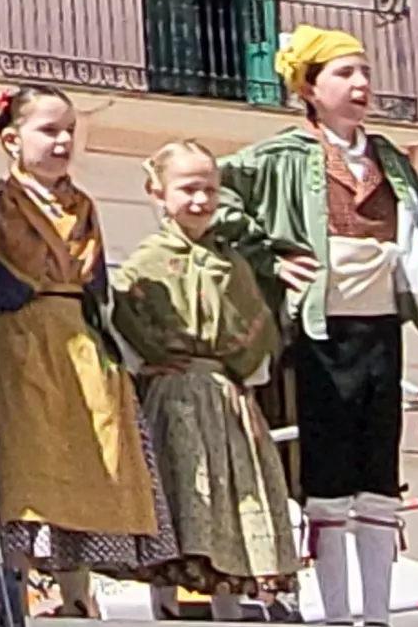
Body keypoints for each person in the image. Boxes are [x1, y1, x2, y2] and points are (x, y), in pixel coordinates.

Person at [212, 24, 418, 627]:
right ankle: (337, 613)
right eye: (344, 72)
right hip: (321, 329)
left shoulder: (389, 156)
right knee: (329, 470)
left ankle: (379, 614)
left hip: (382, 325)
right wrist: (271, 255)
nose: (360, 83)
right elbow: (217, 192)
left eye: (363, 71)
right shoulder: (283, 154)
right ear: (308, 87)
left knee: (380, 471)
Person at [0, 83, 163, 617]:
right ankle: (14, 593)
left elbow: (96, 284)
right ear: (11, 139)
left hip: (81, 341)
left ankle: (78, 597)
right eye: (48, 130)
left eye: (68, 130)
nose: (62, 141)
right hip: (19, 339)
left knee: (89, 460)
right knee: (23, 468)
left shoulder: (85, 205)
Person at [113, 140, 300, 620]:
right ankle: (165, 606)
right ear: (157, 191)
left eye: (210, 190)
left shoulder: (233, 264)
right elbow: (125, 319)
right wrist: (156, 356)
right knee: (176, 493)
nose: (200, 200)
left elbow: (257, 327)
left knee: (232, 496)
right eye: (189, 189)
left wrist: (235, 366)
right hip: (171, 395)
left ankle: (229, 608)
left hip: (225, 397)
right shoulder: (144, 262)